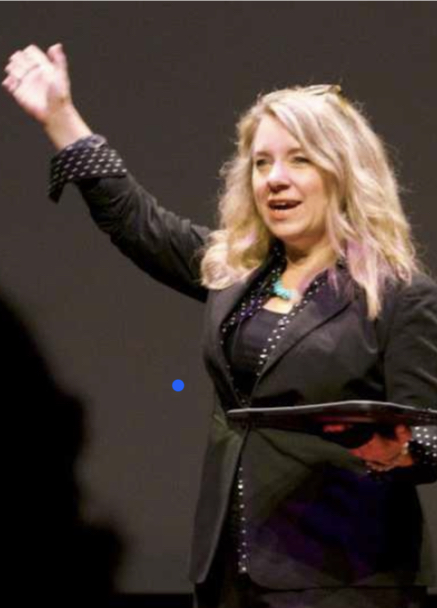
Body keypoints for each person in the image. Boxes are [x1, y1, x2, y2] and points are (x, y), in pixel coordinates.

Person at [4, 44, 437, 608]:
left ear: (344, 172)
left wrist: (398, 450)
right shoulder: (236, 272)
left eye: (299, 160)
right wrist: (61, 118)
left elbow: (430, 437)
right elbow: (137, 221)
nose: (274, 179)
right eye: (261, 163)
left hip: (345, 576)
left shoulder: (399, 295)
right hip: (229, 568)